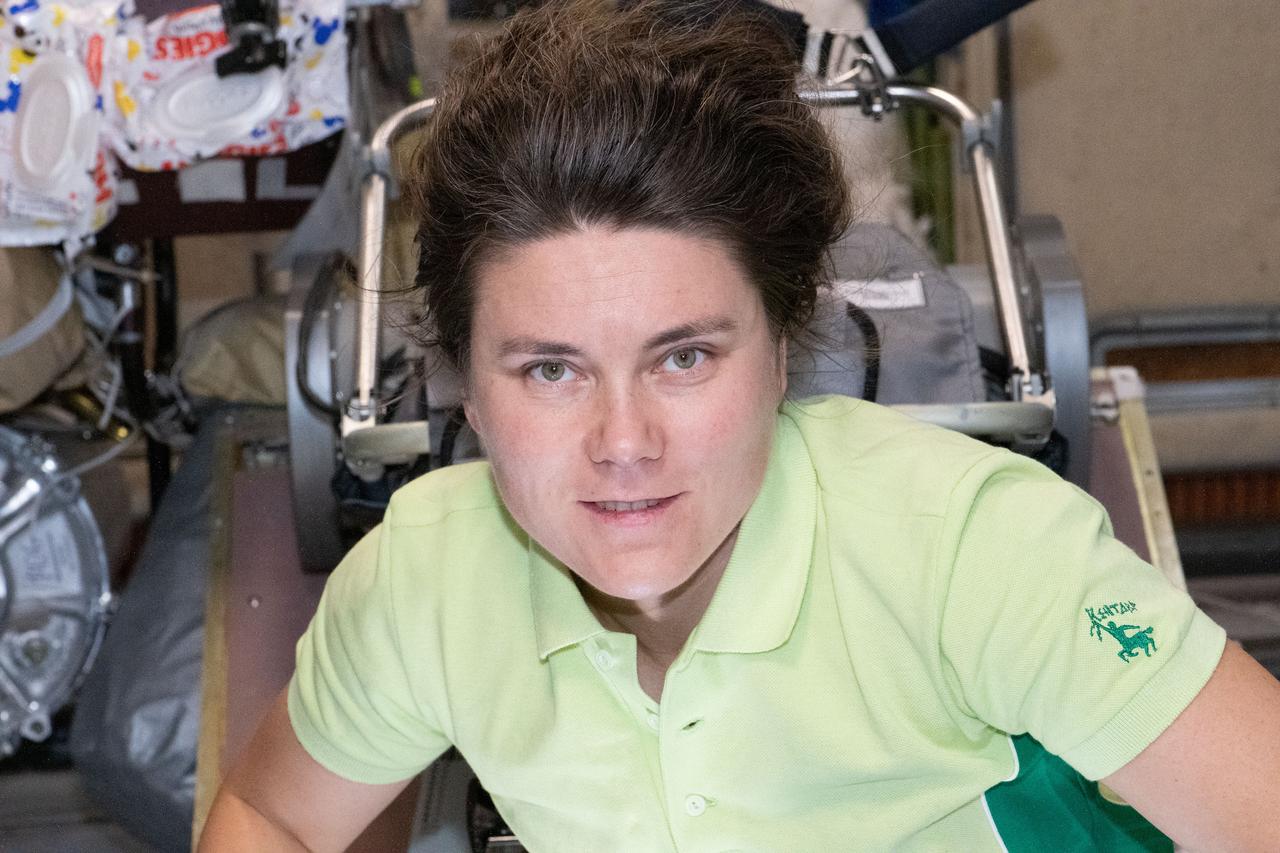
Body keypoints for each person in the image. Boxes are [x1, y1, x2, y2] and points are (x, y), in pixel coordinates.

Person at [198, 1, 1280, 850]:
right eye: (550, 370)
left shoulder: (970, 555)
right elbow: (275, 815)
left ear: (779, 354)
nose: (623, 441)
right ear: (467, 392)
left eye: (683, 356)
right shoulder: (426, 584)